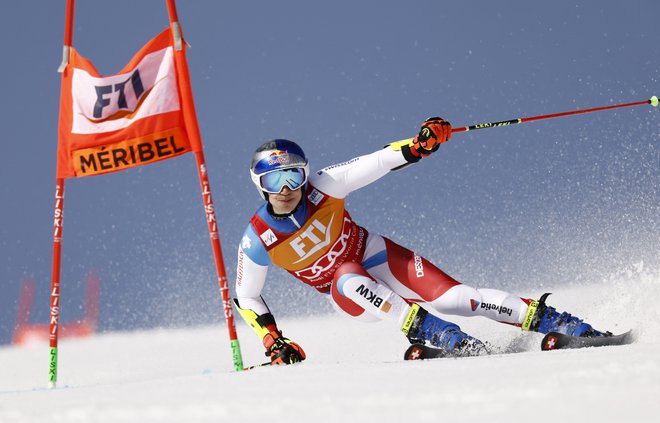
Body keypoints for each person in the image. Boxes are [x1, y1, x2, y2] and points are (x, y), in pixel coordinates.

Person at [234, 117, 610, 365]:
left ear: (304, 175)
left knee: (457, 297)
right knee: (347, 274)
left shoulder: (324, 187)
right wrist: (273, 341)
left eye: (292, 177)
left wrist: (419, 145)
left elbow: (377, 161)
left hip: (374, 254)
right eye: (273, 181)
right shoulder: (257, 239)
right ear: (259, 185)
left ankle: (557, 322)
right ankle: (439, 334)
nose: (285, 190)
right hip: (348, 295)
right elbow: (246, 295)